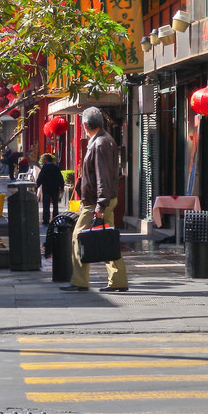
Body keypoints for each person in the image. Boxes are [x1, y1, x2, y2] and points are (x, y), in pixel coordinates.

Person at [62, 107, 128, 293]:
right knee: (106, 238)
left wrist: (100, 204)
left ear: (84, 125)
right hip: (101, 200)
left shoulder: (100, 144)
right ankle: (117, 279)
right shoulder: (103, 141)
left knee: (78, 237)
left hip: (96, 202)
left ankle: (79, 280)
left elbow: (103, 177)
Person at [35, 152, 65, 225]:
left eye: (44, 159)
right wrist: (62, 186)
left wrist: (37, 186)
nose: (43, 160)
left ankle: (46, 219)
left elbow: (40, 178)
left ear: (46, 160)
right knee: (55, 205)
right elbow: (60, 177)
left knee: (46, 205)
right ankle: (55, 219)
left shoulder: (44, 167)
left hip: (47, 189)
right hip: (55, 188)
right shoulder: (55, 167)